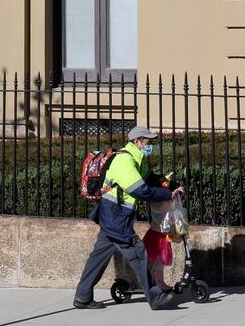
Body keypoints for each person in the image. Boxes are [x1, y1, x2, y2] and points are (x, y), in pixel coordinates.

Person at [73, 124, 184, 310]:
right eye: (147, 141)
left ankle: (82, 296)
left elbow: (150, 179)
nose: (150, 145)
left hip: (112, 216)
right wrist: (166, 195)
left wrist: (172, 185)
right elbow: (140, 190)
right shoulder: (124, 161)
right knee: (139, 254)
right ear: (137, 141)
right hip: (116, 218)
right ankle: (155, 298)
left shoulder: (135, 159)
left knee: (98, 257)